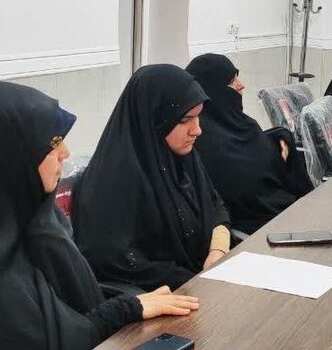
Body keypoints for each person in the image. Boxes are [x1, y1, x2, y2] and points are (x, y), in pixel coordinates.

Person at [0, 82, 199, 349]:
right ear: (12, 157)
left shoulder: (41, 218)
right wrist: (124, 309)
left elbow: (79, 304)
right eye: (53, 142)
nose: (65, 153)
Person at [73, 65, 231, 291]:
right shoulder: (113, 184)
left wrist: (217, 251)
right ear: (154, 119)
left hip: (206, 282)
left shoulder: (184, 159)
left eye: (198, 117)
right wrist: (192, 281)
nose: (197, 130)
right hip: (162, 297)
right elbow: (111, 260)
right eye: (184, 120)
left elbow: (215, 206)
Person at [186, 54, 314, 234]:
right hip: (265, 232)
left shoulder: (244, 124)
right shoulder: (204, 143)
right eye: (231, 81)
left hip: (291, 215)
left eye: (237, 77)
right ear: (211, 90)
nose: (241, 85)